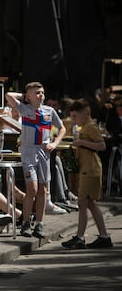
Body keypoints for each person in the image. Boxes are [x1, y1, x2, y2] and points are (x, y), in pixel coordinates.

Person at [5, 82, 66, 238]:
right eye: (37, 92)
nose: (41, 95)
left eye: (42, 92)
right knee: (31, 188)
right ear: (29, 96)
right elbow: (8, 96)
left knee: (43, 189)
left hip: (44, 151)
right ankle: (26, 223)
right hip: (29, 151)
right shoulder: (25, 109)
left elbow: (62, 128)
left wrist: (55, 143)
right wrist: (25, 96)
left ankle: (39, 223)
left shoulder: (49, 111)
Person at [62, 99, 113, 249]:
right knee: (90, 203)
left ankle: (80, 237)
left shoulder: (90, 127)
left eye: (75, 116)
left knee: (83, 203)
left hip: (90, 169)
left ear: (84, 114)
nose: (73, 119)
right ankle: (103, 236)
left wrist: (81, 143)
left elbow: (102, 146)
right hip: (88, 168)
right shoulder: (84, 127)